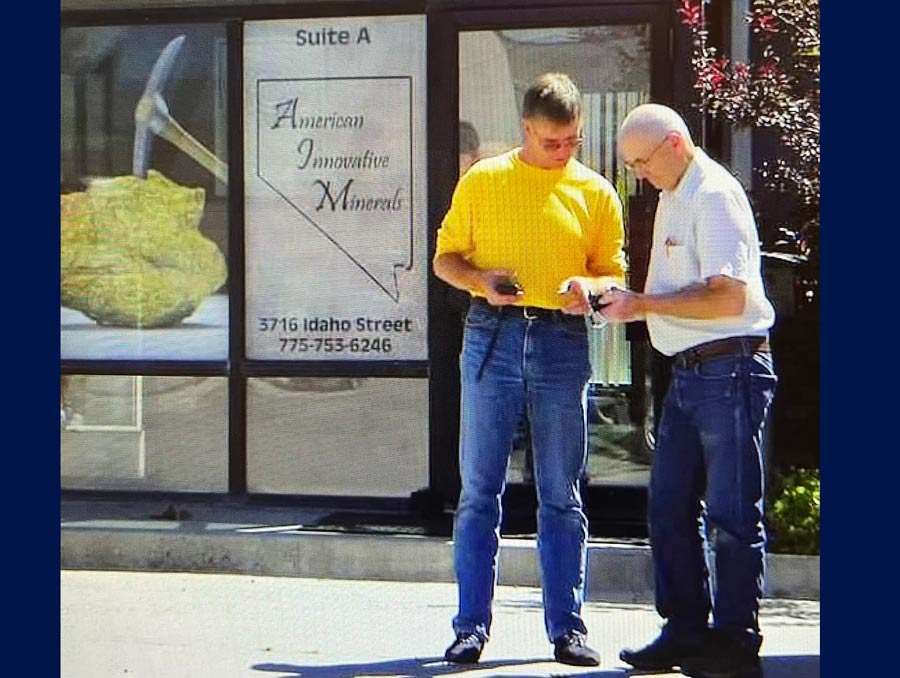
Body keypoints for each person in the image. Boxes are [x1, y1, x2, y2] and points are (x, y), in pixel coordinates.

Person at [433, 72, 626, 667]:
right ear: (526, 129)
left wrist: (589, 289)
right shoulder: (485, 180)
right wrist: (479, 282)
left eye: (572, 141)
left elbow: (613, 275)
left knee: (562, 493)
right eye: (552, 143)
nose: (563, 152)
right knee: (478, 492)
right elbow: (445, 259)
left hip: (562, 338)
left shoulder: (596, 192)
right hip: (492, 334)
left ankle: (567, 627)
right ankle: (470, 627)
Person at [602, 103, 777, 678]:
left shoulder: (712, 196)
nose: (639, 175)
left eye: (642, 162)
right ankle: (685, 628)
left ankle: (733, 638)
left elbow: (729, 298)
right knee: (669, 507)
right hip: (691, 370)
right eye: (631, 166)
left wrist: (643, 305)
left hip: (729, 368)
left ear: (674, 144)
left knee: (730, 513)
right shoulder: (676, 190)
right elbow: (684, 289)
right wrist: (621, 297)